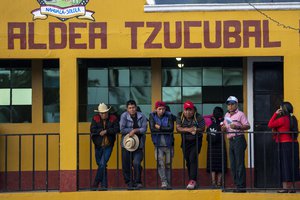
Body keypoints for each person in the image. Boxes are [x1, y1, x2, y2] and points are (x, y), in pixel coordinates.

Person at [268, 101, 299, 193]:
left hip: (284, 144)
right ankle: (293, 187)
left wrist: (275, 114)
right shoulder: (293, 118)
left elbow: (270, 124)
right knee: (293, 164)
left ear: (283, 109)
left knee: (284, 165)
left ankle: (285, 188)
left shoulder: (282, 119)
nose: (279, 109)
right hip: (294, 144)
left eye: (280, 108)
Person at [221, 96, 250, 193]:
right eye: (228, 104)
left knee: (239, 164)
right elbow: (225, 127)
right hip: (231, 140)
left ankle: (241, 187)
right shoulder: (226, 115)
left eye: (232, 104)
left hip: (239, 139)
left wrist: (237, 126)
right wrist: (223, 128)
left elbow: (247, 126)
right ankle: (237, 184)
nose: (230, 106)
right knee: (233, 164)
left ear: (236, 104)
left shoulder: (241, 114)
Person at [176, 100, 205, 190]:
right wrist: (188, 130)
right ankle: (192, 180)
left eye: (190, 110)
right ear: (183, 110)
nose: (188, 112)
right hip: (185, 141)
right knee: (188, 161)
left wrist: (195, 129)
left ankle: (192, 180)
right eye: (186, 110)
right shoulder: (180, 115)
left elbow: (203, 128)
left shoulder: (198, 116)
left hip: (196, 141)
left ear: (193, 110)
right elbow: (178, 128)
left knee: (193, 158)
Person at [90, 103, 120, 190]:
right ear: (99, 113)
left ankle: (96, 182)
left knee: (102, 164)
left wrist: (106, 131)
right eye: (102, 113)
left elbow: (117, 129)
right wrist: (100, 131)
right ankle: (104, 185)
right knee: (101, 165)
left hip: (108, 145)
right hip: (98, 145)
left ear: (108, 112)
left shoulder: (113, 118)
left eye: (105, 112)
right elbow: (92, 129)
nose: (104, 114)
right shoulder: (95, 118)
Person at [119, 100, 148, 189]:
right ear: (127, 109)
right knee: (126, 164)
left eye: (133, 107)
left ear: (136, 107)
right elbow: (122, 129)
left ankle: (138, 181)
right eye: (130, 108)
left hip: (139, 144)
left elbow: (144, 128)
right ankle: (129, 183)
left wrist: (135, 130)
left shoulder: (142, 116)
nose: (132, 109)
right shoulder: (124, 116)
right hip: (127, 144)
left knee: (136, 163)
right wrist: (131, 131)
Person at [149, 101, 174, 189]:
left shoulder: (169, 115)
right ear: (156, 109)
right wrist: (164, 129)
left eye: (163, 109)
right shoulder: (152, 116)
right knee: (160, 164)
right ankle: (164, 182)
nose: (161, 111)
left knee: (168, 164)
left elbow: (171, 129)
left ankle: (169, 183)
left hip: (169, 144)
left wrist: (159, 127)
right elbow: (152, 129)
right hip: (158, 144)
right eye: (159, 109)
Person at [205, 107, 227, 187]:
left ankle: (213, 182)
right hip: (220, 144)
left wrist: (212, 116)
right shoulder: (223, 122)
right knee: (220, 164)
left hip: (211, 145)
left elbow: (205, 117)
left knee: (212, 164)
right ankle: (219, 183)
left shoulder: (209, 121)